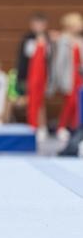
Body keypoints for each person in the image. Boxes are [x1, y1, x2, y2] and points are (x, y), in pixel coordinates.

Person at [16, 12, 52, 139]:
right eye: (36, 24)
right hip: (30, 75)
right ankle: (33, 125)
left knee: (40, 102)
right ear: (32, 25)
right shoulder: (27, 39)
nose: (39, 26)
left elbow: (49, 60)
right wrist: (21, 78)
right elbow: (22, 59)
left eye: (42, 24)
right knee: (31, 101)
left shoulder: (48, 38)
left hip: (43, 75)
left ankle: (42, 126)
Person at [50, 12, 83, 143]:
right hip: (68, 76)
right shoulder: (63, 39)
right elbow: (59, 61)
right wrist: (58, 79)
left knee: (78, 103)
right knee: (70, 102)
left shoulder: (80, 40)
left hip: (79, 75)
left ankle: (75, 127)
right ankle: (61, 127)